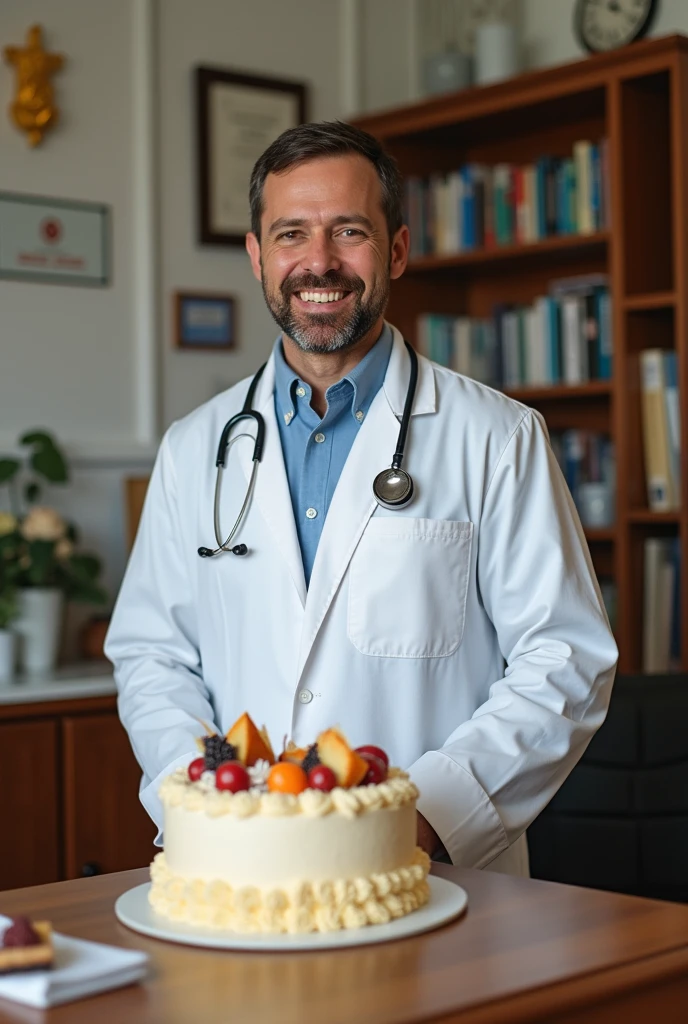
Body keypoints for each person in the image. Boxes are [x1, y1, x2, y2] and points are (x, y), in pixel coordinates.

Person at [105, 121, 618, 874]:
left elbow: (566, 657)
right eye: (290, 234)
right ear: (256, 257)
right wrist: (208, 794)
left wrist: (430, 814)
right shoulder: (194, 448)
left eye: (348, 231)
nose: (318, 261)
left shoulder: (496, 437)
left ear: (398, 251)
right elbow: (154, 657)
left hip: (436, 874)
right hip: (240, 865)